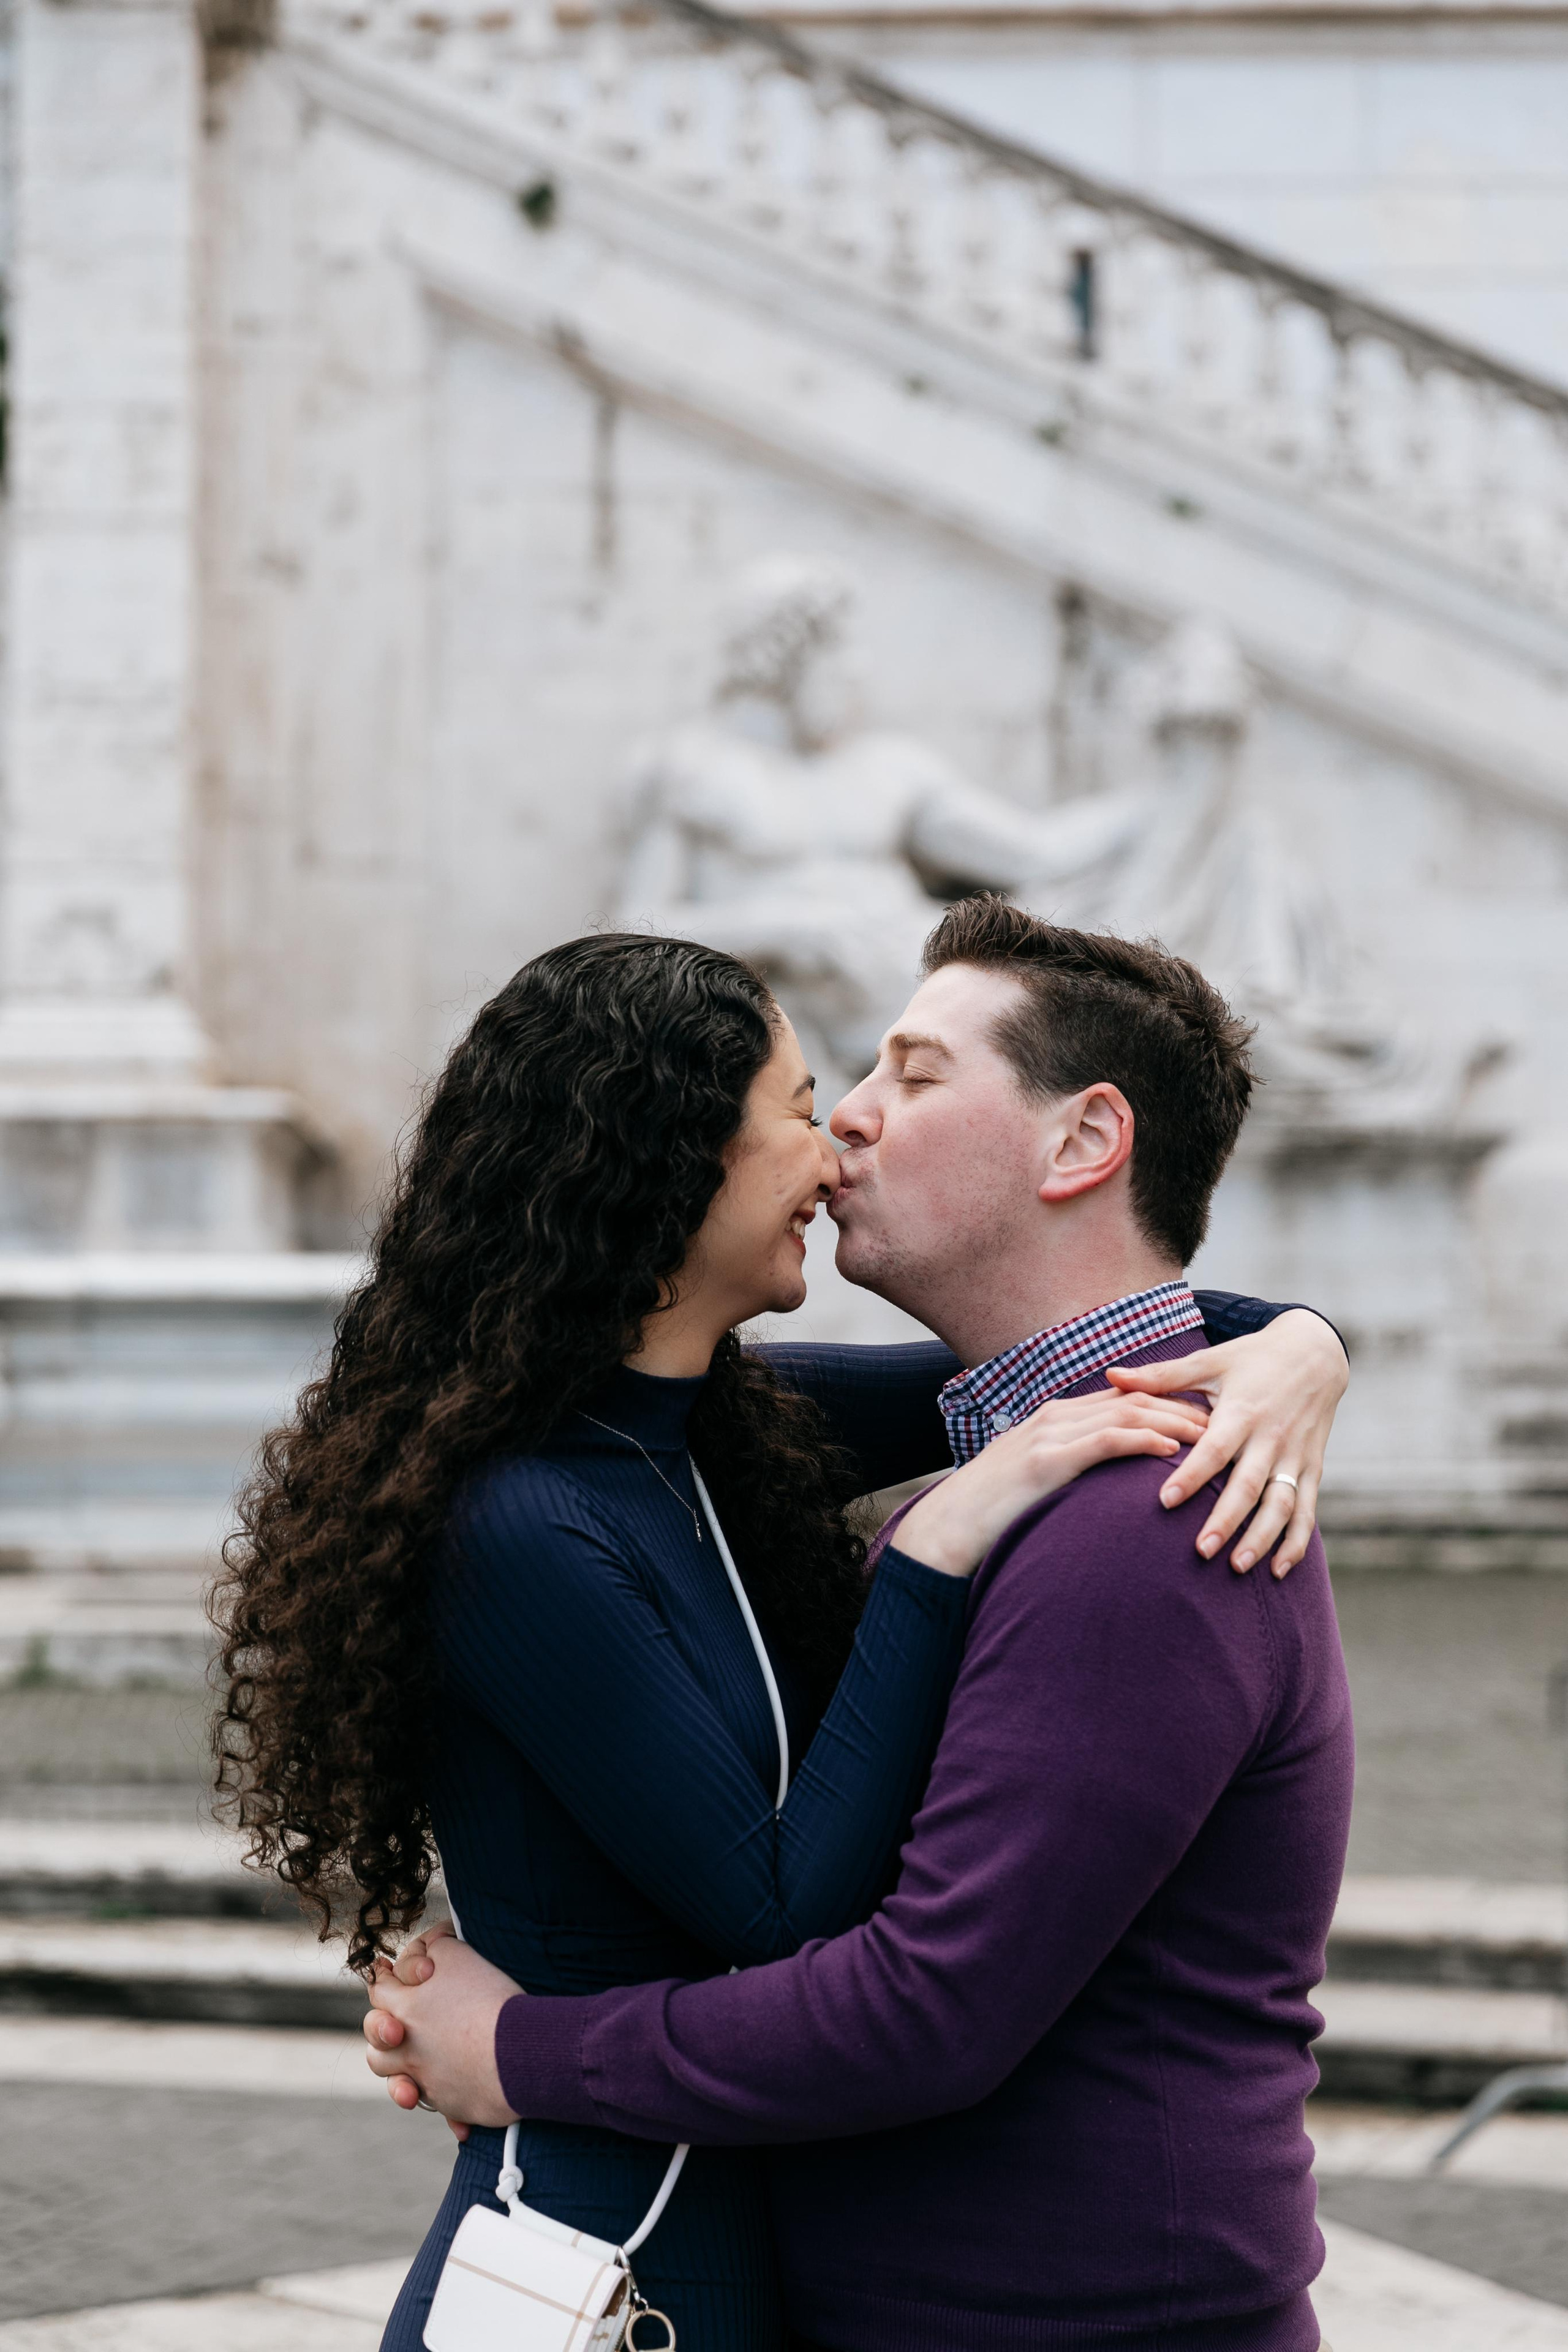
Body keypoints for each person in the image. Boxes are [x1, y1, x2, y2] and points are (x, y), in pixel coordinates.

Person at [363, 905, 1355, 2352]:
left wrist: (524, 2048)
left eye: (911, 1073)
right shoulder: (712, 1451)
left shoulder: (1143, 1518)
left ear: (1082, 1142)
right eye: (815, 1099)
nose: (846, 1131)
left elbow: (916, 2008)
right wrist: (1292, 1342)